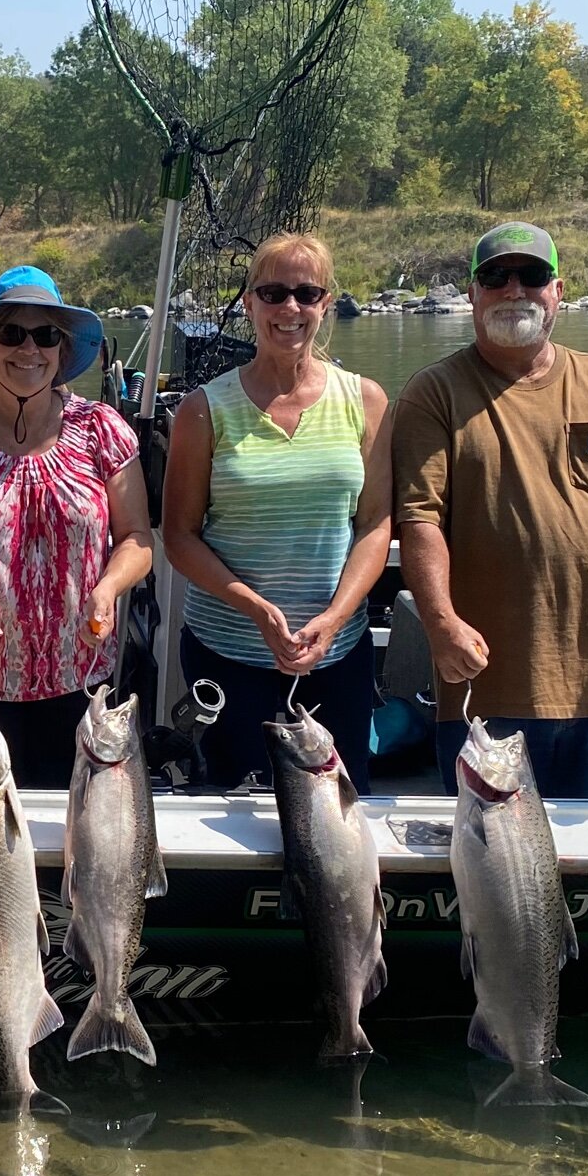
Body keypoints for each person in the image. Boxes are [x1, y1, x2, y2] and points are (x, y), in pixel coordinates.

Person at [392, 220, 588, 799]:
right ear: (472, 293)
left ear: (558, 289)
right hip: (489, 695)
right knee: (496, 873)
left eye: (532, 276)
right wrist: (440, 624)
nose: (514, 290)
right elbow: (420, 521)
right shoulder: (433, 392)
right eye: (495, 277)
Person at [0, 267, 151, 789]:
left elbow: (137, 539)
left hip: (81, 673)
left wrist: (107, 589)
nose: (28, 349)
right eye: (11, 333)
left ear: (62, 351)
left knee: (76, 830)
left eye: (46, 335)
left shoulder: (104, 430)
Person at [162, 232, 394, 791]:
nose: (290, 308)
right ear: (248, 303)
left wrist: (335, 618)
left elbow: (375, 525)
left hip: (336, 658)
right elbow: (179, 536)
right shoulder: (203, 410)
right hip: (227, 655)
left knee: (338, 812)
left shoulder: (366, 400)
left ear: (326, 303)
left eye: (307, 293)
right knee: (235, 816)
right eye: (273, 292)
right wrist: (259, 611)